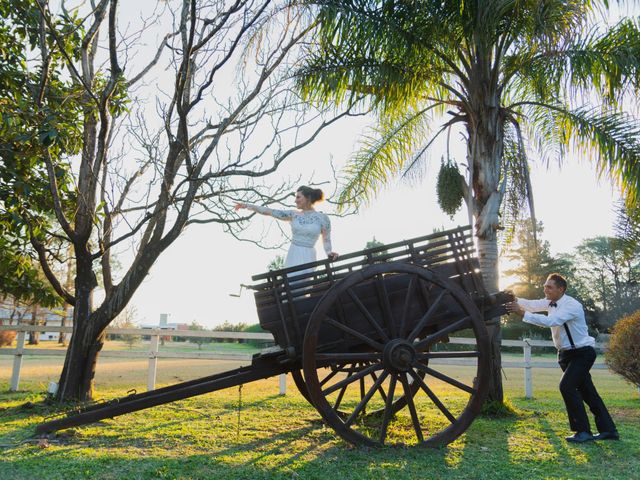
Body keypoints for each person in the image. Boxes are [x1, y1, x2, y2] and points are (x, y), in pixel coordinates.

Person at [506, 273, 619, 444]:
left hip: (582, 353)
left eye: (549, 287)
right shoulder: (550, 301)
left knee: (566, 387)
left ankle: (583, 431)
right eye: (545, 286)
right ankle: (609, 430)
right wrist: (513, 299)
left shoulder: (572, 305)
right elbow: (532, 304)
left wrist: (522, 313)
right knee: (588, 392)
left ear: (561, 289)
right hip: (566, 355)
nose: (545, 289)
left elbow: (552, 321)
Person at [234, 186, 339, 276]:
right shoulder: (293, 215)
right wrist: (247, 205)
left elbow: (326, 239)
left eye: (298, 197)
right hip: (294, 253)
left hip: (309, 255)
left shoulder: (323, 218)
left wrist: (329, 252)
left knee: (304, 286)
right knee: (292, 284)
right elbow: (270, 211)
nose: (295, 200)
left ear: (308, 198)